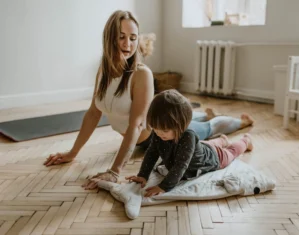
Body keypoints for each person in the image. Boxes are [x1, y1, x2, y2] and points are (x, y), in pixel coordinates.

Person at [43, 10, 254, 189]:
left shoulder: (141, 74)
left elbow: (136, 125)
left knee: (208, 128)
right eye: (121, 37)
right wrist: (73, 153)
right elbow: (93, 113)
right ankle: (201, 115)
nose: (128, 43)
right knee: (197, 121)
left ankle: (240, 123)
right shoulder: (103, 71)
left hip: (164, 135)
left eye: (133, 38)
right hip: (151, 133)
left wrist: (115, 171)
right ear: (109, 38)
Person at [126, 90, 253, 197]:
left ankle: (246, 141)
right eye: (155, 128)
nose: (159, 133)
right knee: (208, 144)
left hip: (214, 157)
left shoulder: (188, 136)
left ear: (180, 125)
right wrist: (143, 175)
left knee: (231, 151)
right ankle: (223, 140)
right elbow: (152, 152)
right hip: (200, 147)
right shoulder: (160, 133)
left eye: (164, 130)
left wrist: (164, 186)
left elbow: (181, 165)